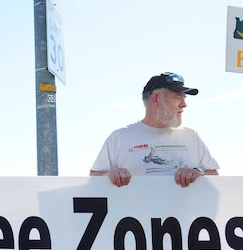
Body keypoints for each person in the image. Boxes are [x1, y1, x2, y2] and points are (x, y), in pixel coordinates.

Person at [90, 71, 219, 187]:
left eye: (184, 98)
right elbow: (93, 178)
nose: (184, 104)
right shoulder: (120, 137)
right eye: (178, 97)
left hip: (183, 214)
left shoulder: (191, 136)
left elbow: (214, 175)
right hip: (135, 213)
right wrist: (108, 176)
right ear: (156, 98)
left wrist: (199, 172)